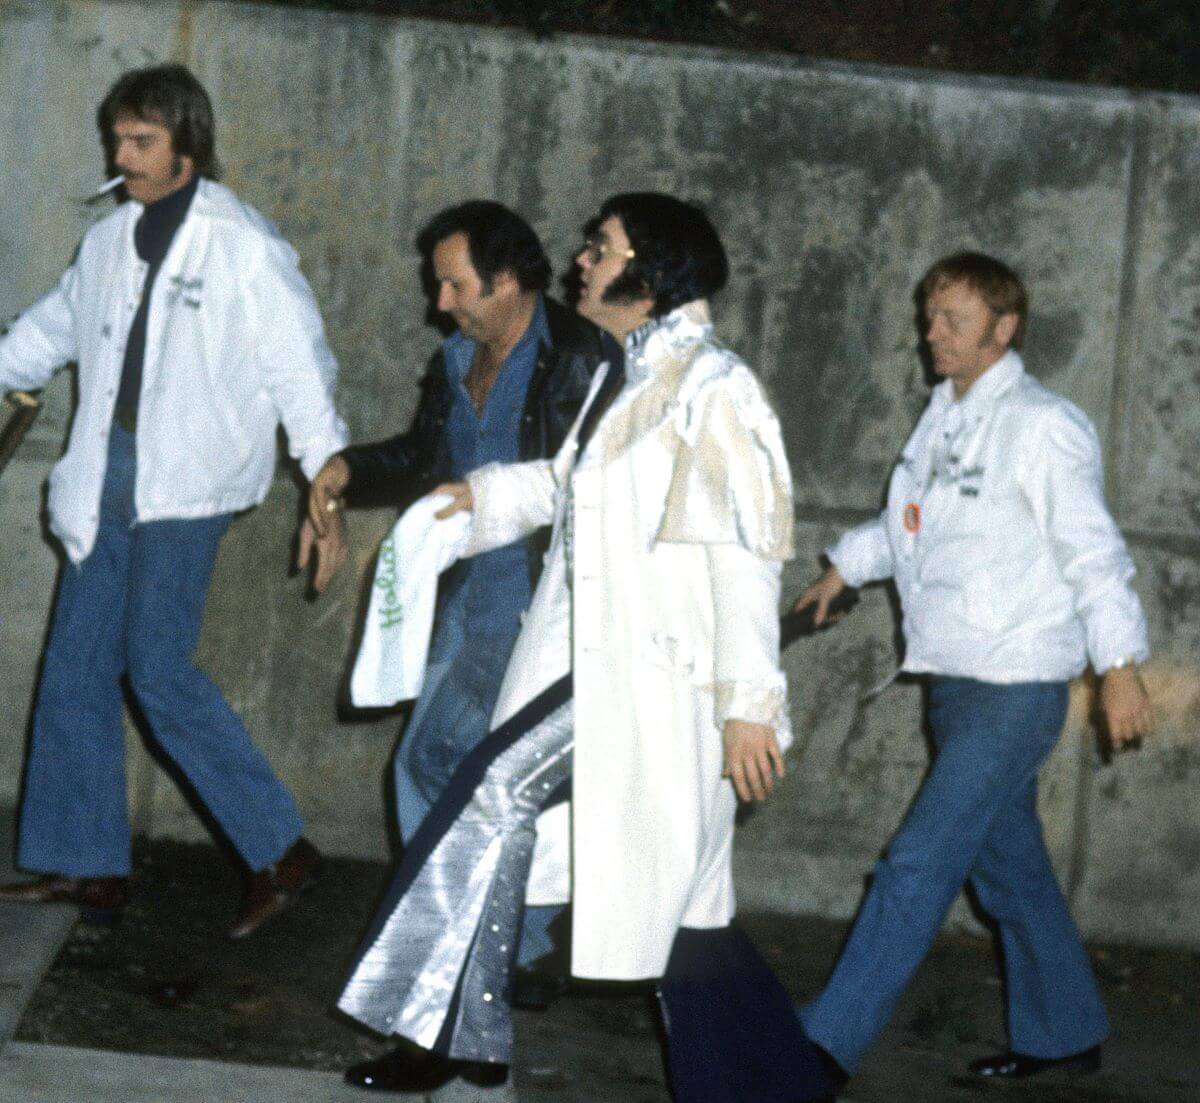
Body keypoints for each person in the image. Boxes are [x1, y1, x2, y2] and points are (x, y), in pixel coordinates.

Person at [334, 192, 838, 1102]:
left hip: (656, 683)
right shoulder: (631, 375)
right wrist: (478, 500)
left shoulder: (715, 388)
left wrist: (750, 706)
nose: (580, 262)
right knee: (690, 919)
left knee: (492, 791)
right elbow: (567, 484)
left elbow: (747, 554)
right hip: (600, 674)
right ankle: (775, 1080)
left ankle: (453, 1029)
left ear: (649, 274)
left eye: (600, 249)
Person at [0, 64, 348, 939]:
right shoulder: (111, 240)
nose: (123, 157)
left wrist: (325, 478)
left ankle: (281, 850)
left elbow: (299, 367)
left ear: (189, 146)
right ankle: (86, 864)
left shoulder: (243, 244)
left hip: (187, 484)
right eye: (117, 140)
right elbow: (46, 333)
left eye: (143, 142)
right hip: (106, 471)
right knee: (76, 667)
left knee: (155, 667)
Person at [794, 252, 1153, 1090]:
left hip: (1017, 685)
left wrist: (1122, 665)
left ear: (1004, 327)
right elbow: (907, 524)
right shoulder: (941, 421)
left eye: (952, 320)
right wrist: (843, 568)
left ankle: (821, 1045)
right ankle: (1064, 1027)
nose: (932, 334)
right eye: (929, 316)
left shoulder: (1040, 424)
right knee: (1008, 865)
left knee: (917, 862)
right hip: (955, 679)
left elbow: (1094, 554)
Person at [300, 200, 612, 988]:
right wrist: (343, 471)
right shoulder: (453, 362)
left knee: (430, 757)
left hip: (529, 608)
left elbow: (599, 491)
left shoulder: (581, 360)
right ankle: (521, 945)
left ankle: (454, 952)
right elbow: (419, 459)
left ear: (507, 280)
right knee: (448, 770)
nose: (439, 304)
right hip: (461, 598)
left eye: (454, 286)